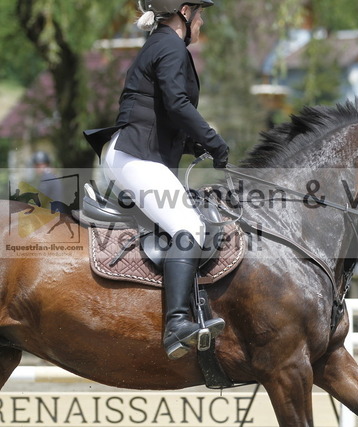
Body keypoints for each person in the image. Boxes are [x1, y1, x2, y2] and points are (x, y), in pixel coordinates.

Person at [84, 0, 228, 360]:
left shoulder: (161, 44)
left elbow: (160, 110)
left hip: (135, 153)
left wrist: (193, 144)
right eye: (200, 14)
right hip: (135, 155)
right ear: (185, 12)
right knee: (189, 227)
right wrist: (213, 140)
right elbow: (177, 104)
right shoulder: (170, 46)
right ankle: (177, 323)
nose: (202, 21)